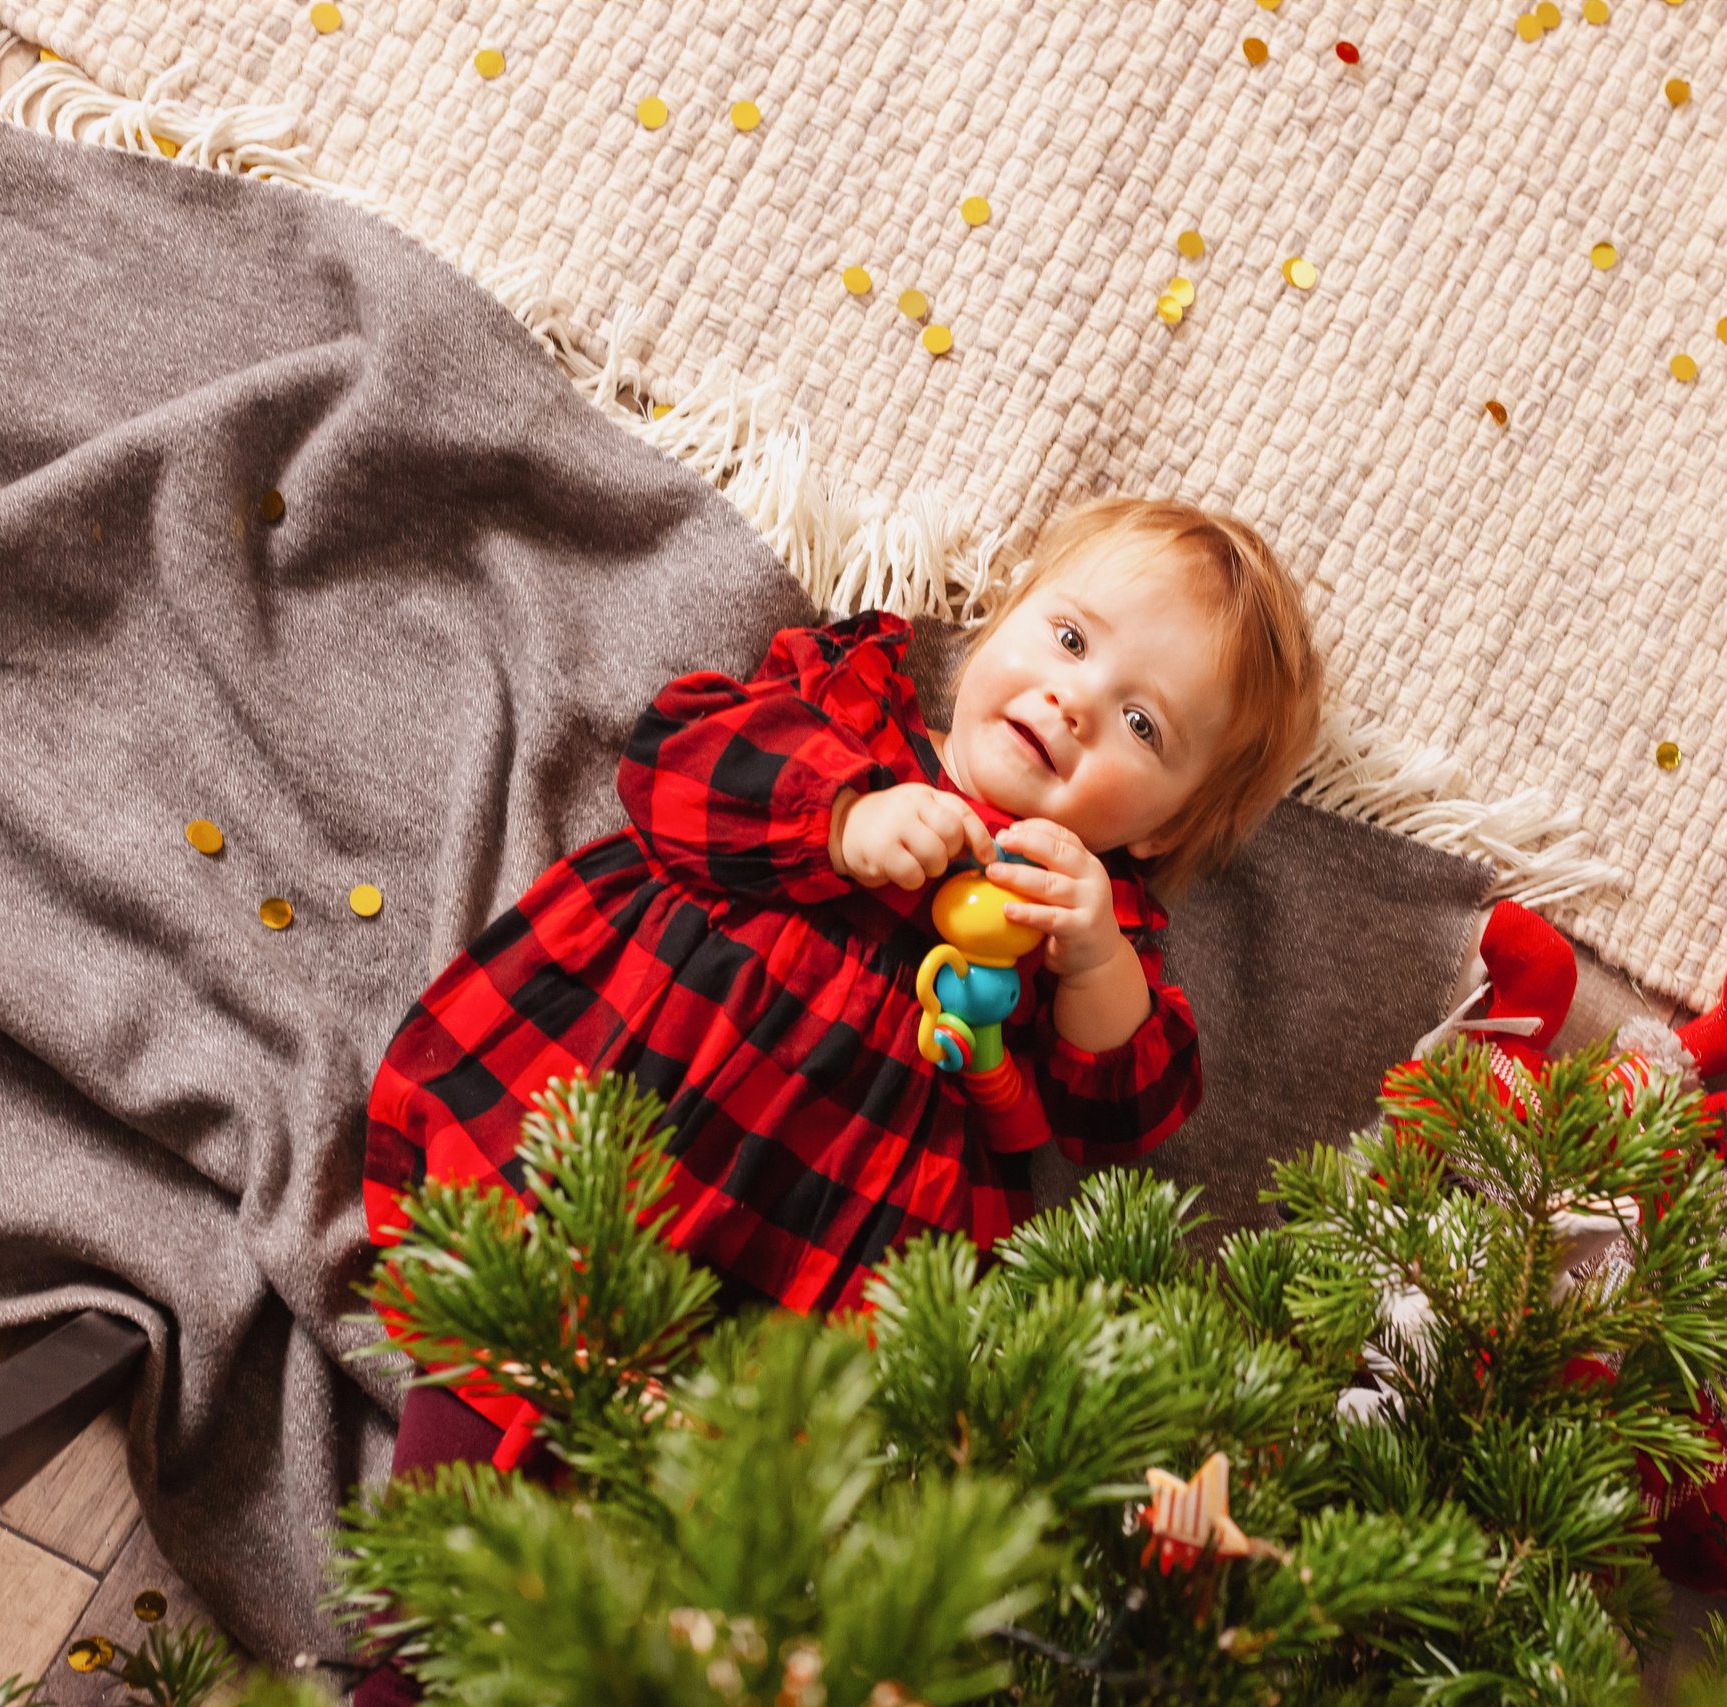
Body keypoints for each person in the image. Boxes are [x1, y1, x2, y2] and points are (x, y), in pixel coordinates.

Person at [359, 495, 1323, 1474]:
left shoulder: (1082, 905)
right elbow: (671, 762)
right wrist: (844, 824)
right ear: (998, 622)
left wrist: (1095, 961)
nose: (1076, 701)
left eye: (1141, 723)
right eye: (1069, 638)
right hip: (640, 1099)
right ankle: (411, 1597)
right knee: (494, 1359)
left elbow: (1122, 1114)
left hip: (825, 1241)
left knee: (714, 1488)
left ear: (1160, 830)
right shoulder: (851, 711)